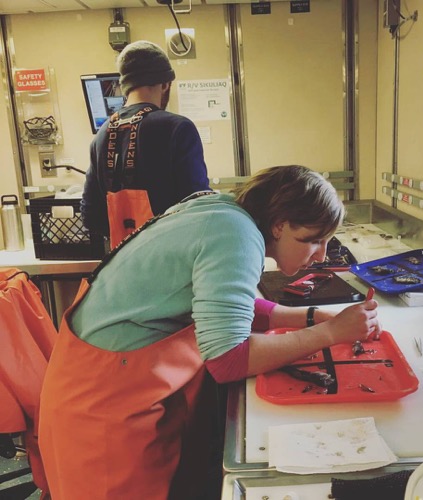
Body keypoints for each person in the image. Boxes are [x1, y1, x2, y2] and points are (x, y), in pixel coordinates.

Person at [39, 165, 381, 500]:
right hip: (101, 408)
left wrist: (313, 317)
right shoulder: (237, 235)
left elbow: (229, 304)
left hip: (101, 380)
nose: (321, 255)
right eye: (314, 240)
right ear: (279, 225)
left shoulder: (223, 212)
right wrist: (331, 333)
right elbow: (228, 359)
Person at [81, 40, 211, 238]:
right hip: (171, 259)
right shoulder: (178, 128)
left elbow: (90, 217)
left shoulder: (101, 135)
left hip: (122, 263)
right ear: (165, 84)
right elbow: (197, 206)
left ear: (125, 86)